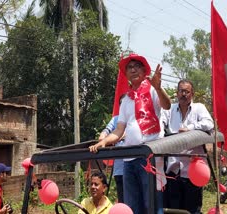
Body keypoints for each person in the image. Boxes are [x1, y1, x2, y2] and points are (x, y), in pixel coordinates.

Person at [90, 53, 171, 214]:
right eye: (129, 67)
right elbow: (120, 129)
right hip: (129, 158)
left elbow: (167, 105)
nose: (133, 70)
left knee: (152, 204)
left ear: (143, 70)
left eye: (136, 66)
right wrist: (104, 142)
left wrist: (158, 87)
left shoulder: (152, 90)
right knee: (132, 205)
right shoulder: (126, 100)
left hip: (149, 156)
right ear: (126, 74)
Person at [162, 80, 214, 214]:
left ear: (192, 94)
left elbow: (209, 124)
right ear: (177, 92)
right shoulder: (169, 109)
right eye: (181, 91)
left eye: (187, 91)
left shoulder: (199, 108)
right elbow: (160, 125)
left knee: (193, 210)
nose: (183, 94)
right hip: (172, 171)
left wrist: (190, 128)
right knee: (174, 210)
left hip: (192, 170)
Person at [98, 94, 126, 203]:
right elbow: (107, 130)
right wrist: (103, 136)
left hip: (133, 167)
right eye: (122, 104)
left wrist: (113, 138)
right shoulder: (116, 119)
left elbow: (124, 134)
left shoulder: (134, 119)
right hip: (119, 168)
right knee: (123, 201)